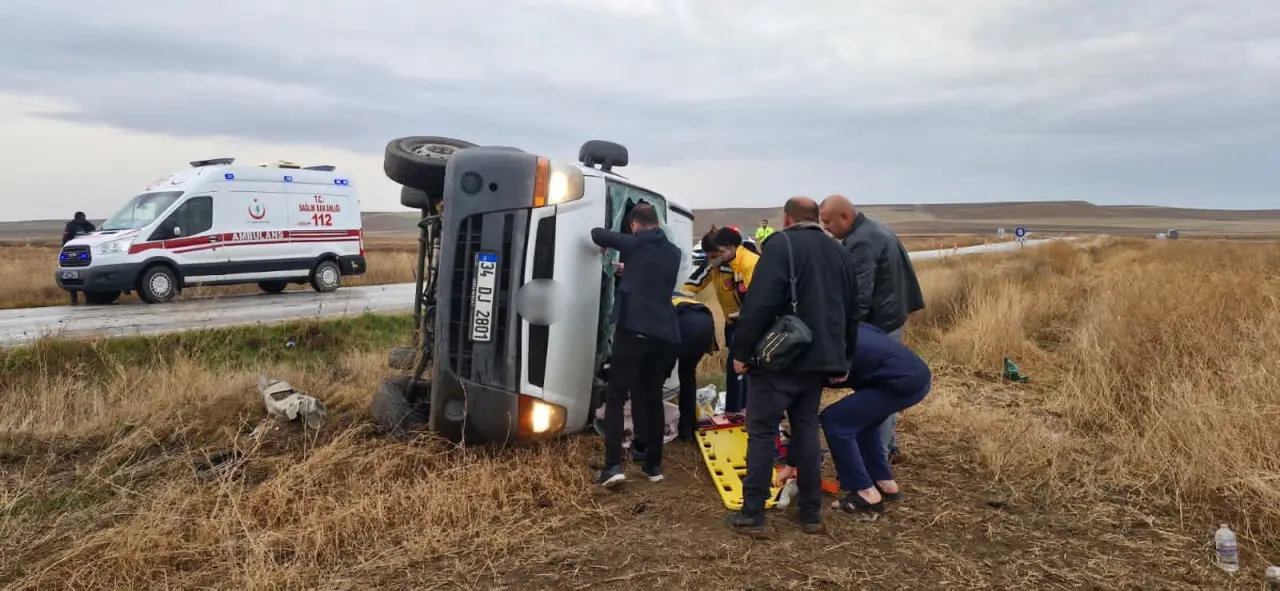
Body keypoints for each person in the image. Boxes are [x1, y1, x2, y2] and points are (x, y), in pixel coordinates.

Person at [724, 197, 859, 536]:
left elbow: (759, 303)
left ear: (787, 219)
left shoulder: (780, 245)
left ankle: (752, 514)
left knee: (762, 431)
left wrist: (741, 351)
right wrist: (845, 357)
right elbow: (853, 309)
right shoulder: (839, 251)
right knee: (807, 430)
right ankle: (811, 515)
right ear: (816, 218)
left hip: (780, 358)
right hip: (819, 360)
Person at [776, 322, 932, 518]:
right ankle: (884, 481)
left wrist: (791, 463)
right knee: (862, 422)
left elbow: (804, 420)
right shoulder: (838, 323)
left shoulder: (812, 358)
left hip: (901, 381)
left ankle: (866, 492)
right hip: (915, 373)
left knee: (835, 421)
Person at [819, 194, 925, 461]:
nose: (825, 228)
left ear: (845, 217)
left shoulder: (861, 241)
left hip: (881, 321)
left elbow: (859, 295)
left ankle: (881, 451)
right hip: (892, 315)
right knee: (885, 383)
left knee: (881, 387)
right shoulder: (876, 228)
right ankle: (887, 444)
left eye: (828, 221)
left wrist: (848, 334)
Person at [590, 203, 682, 488]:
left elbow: (597, 233)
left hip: (633, 330)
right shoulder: (674, 252)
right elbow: (650, 275)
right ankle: (653, 466)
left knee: (616, 397)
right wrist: (628, 267)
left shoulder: (634, 243)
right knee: (653, 398)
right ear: (658, 224)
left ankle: (613, 466)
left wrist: (613, 246)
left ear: (634, 226)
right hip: (663, 334)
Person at [680, 226, 759, 414]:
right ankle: (741, 408)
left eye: (716, 255)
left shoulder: (745, 263)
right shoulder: (715, 263)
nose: (714, 259)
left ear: (727, 248)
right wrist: (679, 299)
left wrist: (743, 314)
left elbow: (755, 297)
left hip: (747, 322)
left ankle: (736, 411)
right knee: (740, 367)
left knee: (737, 366)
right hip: (731, 322)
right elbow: (695, 283)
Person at [665, 291, 717, 441]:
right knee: (687, 374)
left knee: (656, 379)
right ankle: (687, 429)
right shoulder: (675, 295)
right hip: (706, 323)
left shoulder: (655, 301)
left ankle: (650, 430)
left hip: (685, 326)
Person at [62, 212, 97, 305]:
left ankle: (74, 299)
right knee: (86, 275)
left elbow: (65, 239)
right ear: (84, 217)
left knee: (71, 275)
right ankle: (88, 299)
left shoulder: (70, 226)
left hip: (71, 254)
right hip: (86, 253)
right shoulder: (90, 226)